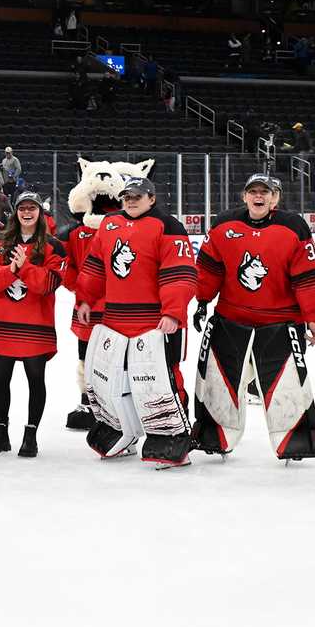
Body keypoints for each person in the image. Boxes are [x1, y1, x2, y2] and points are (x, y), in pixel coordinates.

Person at [191, 173, 315, 462]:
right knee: (219, 382)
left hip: (281, 322)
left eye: (266, 192)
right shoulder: (225, 224)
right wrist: (202, 300)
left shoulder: (293, 226)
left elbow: (308, 276)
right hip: (230, 318)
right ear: (244, 196)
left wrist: (313, 316)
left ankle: (294, 442)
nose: (258, 196)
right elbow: (209, 267)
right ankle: (217, 437)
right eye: (252, 191)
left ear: (275, 198)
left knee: (287, 384)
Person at [75, 177, 196, 468]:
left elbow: (180, 273)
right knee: (115, 380)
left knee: (162, 380)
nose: (131, 200)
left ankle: (173, 435)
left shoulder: (169, 227)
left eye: (138, 196)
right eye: (127, 196)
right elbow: (95, 265)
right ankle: (121, 431)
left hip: (154, 323)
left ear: (152, 199)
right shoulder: (110, 224)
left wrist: (172, 311)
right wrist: (86, 299)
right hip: (116, 320)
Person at [0, 192, 65, 457]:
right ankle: (0, 434)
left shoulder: (54, 247)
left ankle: (30, 436)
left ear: (40, 212)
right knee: (0, 382)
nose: (27, 212)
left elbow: (47, 284)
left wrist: (25, 267)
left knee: (36, 381)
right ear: (15, 212)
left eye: (32, 208)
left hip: (35, 327)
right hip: (3, 325)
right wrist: (11, 271)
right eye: (22, 208)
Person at [57, 200, 103, 432]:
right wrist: (81, 289)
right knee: (87, 357)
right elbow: (64, 265)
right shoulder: (76, 233)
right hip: (89, 308)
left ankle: (112, 406)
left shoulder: (124, 227)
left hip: (118, 308)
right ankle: (88, 404)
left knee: (117, 360)